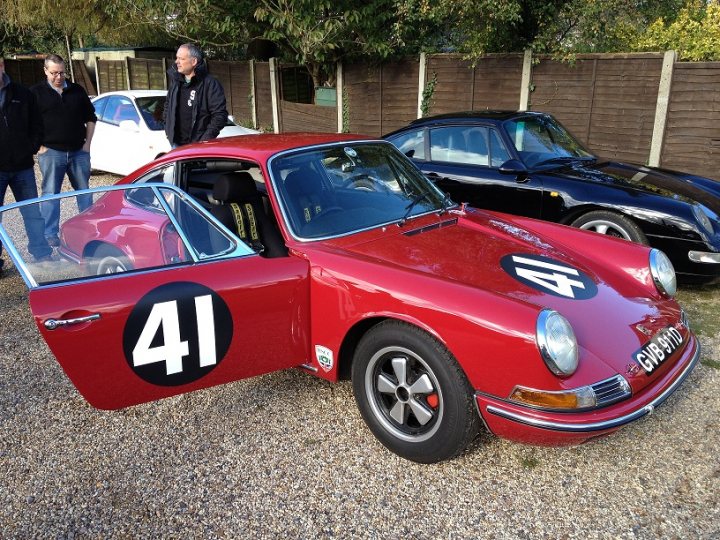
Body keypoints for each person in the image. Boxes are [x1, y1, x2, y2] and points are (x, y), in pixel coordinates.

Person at [31, 54, 96, 247]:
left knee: (84, 192)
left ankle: (88, 230)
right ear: (45, 71)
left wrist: (87, 145)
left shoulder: (77, 90)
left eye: (62, 73)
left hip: (78, 152)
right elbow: (28, 123)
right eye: (54, 73)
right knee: (51, 194)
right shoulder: (35, 93)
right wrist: (39, 147)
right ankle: (50, 234)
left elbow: (91, 118)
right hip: (51, 152)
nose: (59, 77)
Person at [0, 54, 54, 273]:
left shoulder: (22, 93)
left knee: (32, 213)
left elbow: (37, 124)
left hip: (22, 166)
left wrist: (31, 147)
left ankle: (42, 254)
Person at [164, 43, 228, 147]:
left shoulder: (210, 84)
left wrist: (203, 141)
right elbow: (168, 106)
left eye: (181, 59)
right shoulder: (175, 81)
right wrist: (168, 131)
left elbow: (219, 116)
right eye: (177, 58)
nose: (177, 62)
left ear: (194, 61)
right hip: (176, 144)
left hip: (199, 147)